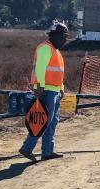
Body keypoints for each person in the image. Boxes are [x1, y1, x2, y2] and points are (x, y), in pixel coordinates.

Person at [19, 23, 70, 162]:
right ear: (55, 36)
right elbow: (40, 70)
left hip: (54, 91)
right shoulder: (45, 48)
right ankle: (27, 148)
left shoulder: (55, 50)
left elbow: (58, 73)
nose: (65, 40)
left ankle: (47, 151)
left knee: (52, 121)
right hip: (45, 91)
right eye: (64, 37)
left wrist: (61, 88)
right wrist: (39, 87)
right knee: (43, 121)